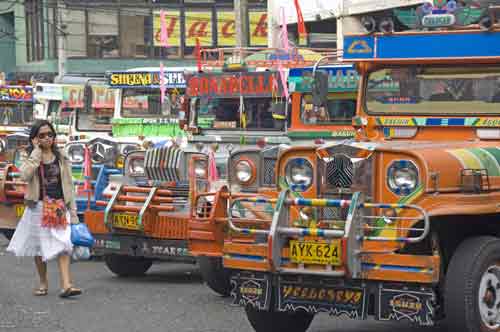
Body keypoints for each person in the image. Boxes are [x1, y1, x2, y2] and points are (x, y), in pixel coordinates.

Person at [7, 120, 82, 298]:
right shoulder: (29, 155)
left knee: (64, 245)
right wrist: (36, 153)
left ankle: (66, 285)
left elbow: (69, 185)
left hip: (58, 207)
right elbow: (24, 175)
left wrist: (73, 210)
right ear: (34, 139)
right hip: (38, 207)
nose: (47, 138)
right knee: (39, 248)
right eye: (42, 135)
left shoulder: (62, 155)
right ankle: (43, 282)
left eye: (50, 134)